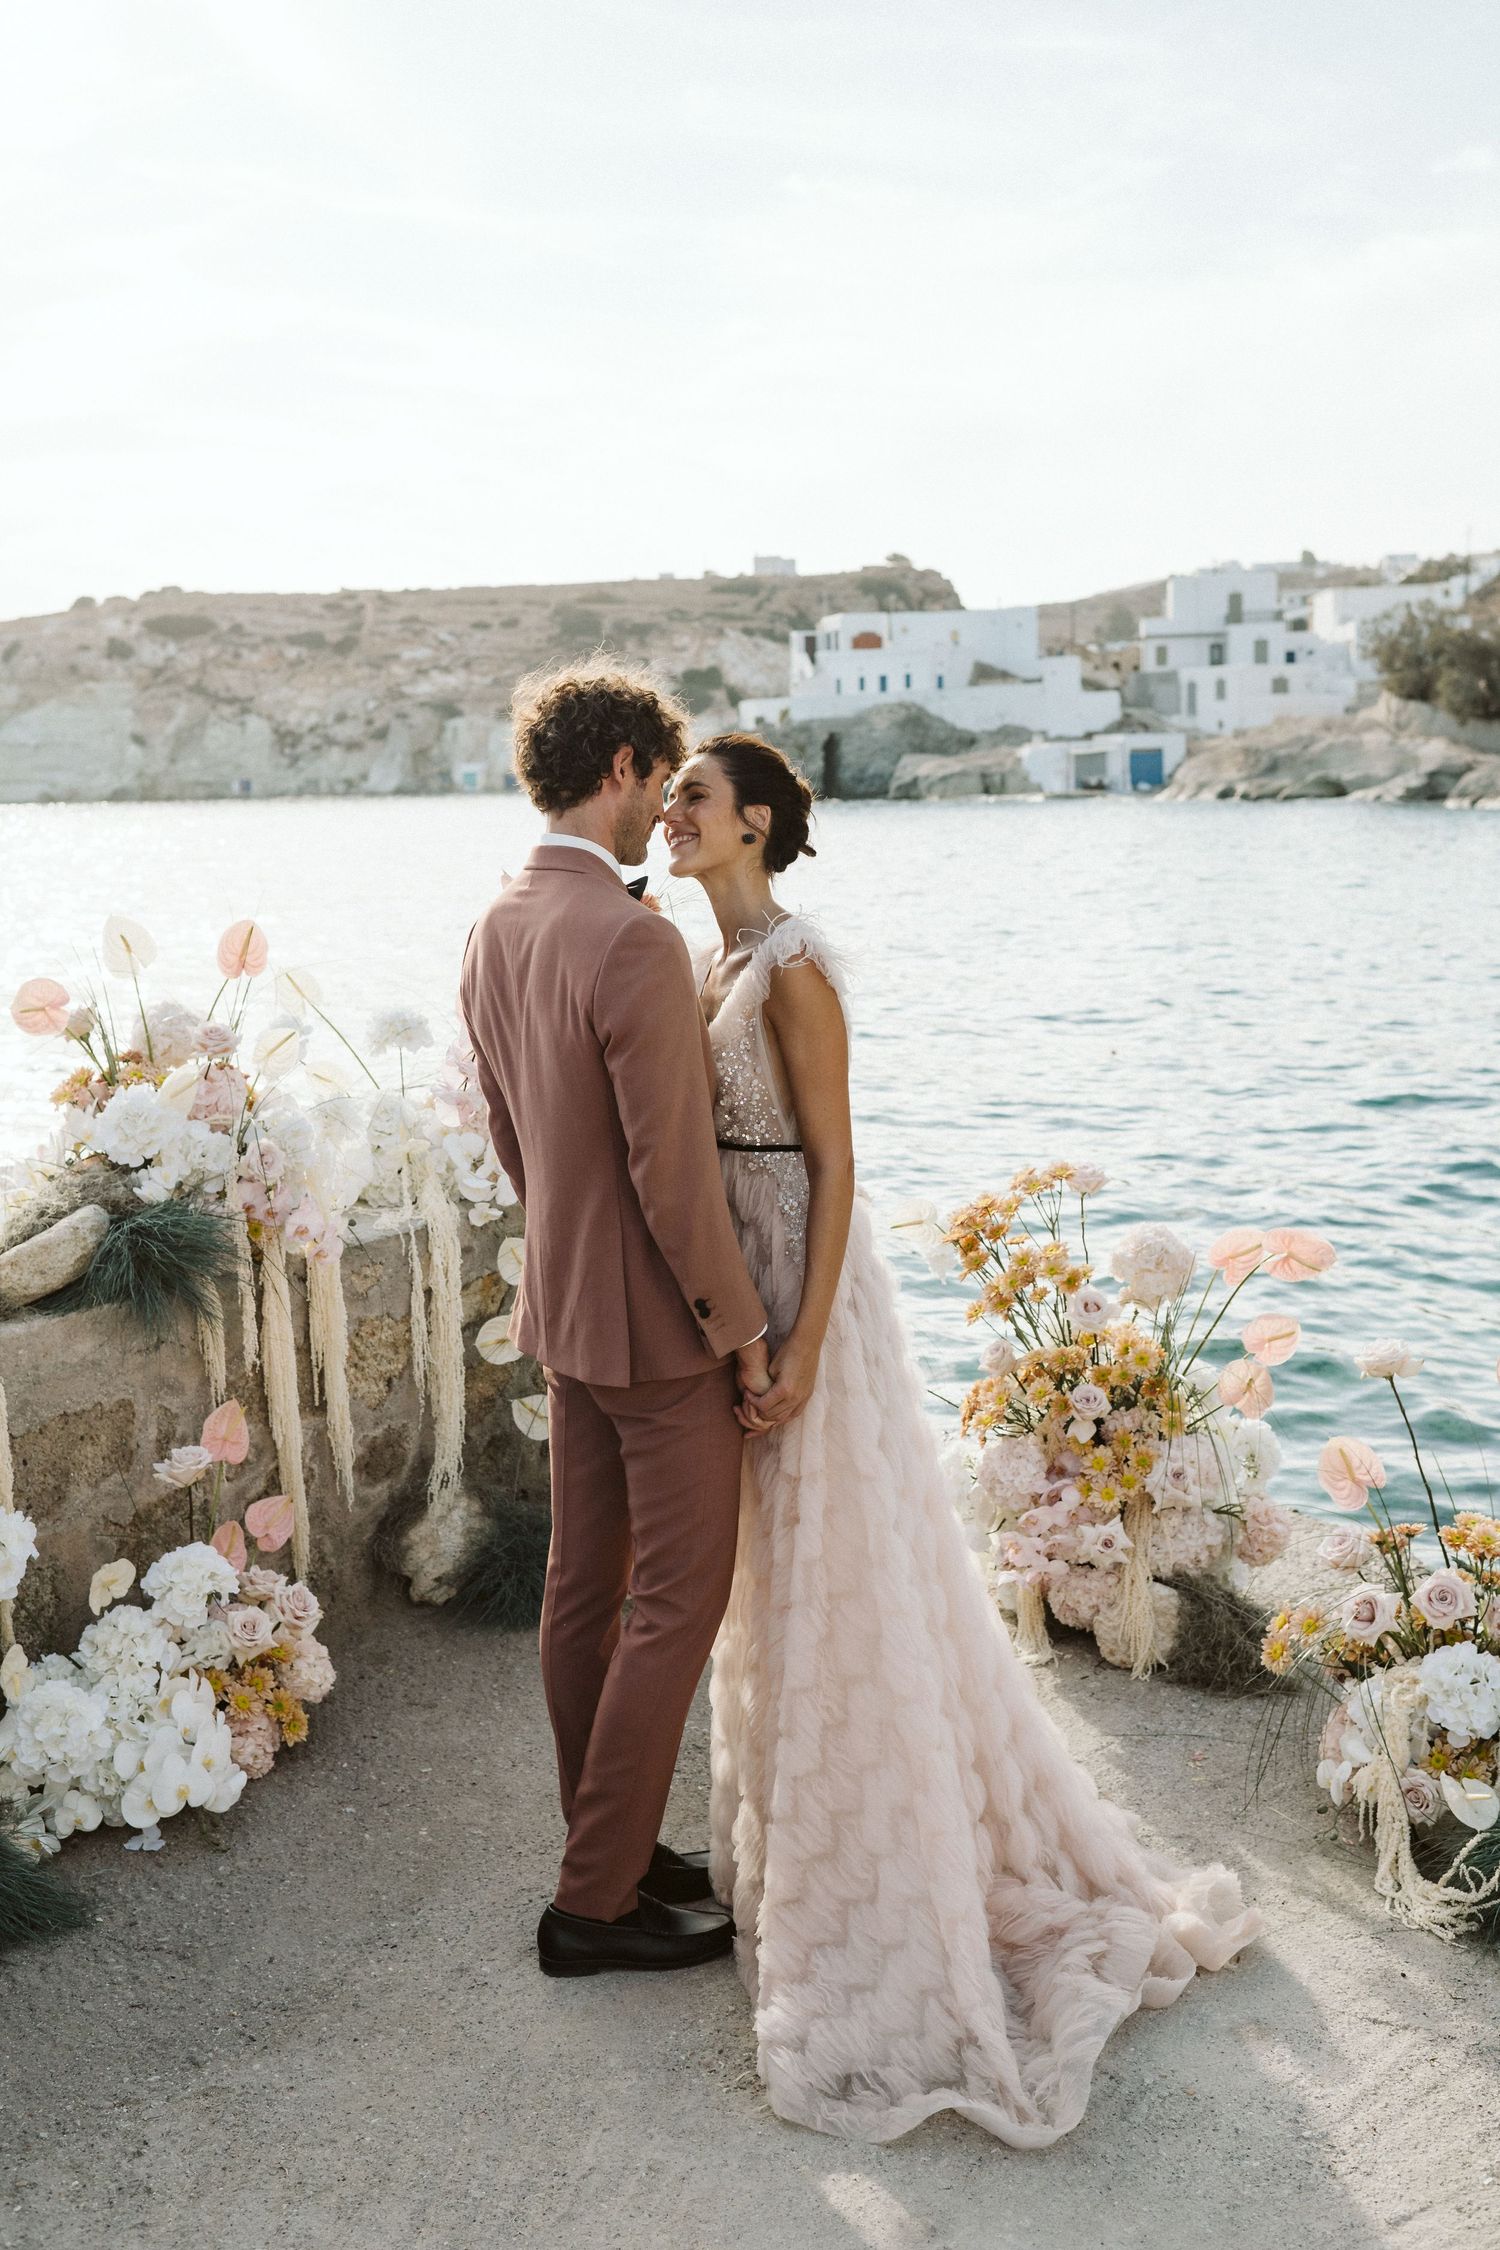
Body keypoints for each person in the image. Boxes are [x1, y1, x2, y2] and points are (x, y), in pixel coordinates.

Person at [663, 730, 1263, 2147]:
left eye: (698, 796)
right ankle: (797, 1854)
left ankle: (887, 1872)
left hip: (806, 1280)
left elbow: (836, 1162)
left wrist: (800, 1342)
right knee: (773, 1585)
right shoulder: (705, 962)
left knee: (845, 1577)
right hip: (737, 1280)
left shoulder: (799, 967)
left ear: (755, 824)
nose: (675, 813)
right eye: (673, 793)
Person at [459, 667, 794, 1980]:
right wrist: (742, 1326)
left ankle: (614, 1843)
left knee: (581, 1589)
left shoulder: (496, 920)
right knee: (679, 1593)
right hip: (657, 1327)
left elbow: (505, 1126)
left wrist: (565, 1248)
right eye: (656, 776)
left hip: (562, 1306)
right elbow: (674, 1173)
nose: (661, 802)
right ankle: (593, 1900)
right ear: (617, 764)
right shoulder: (634, 939)